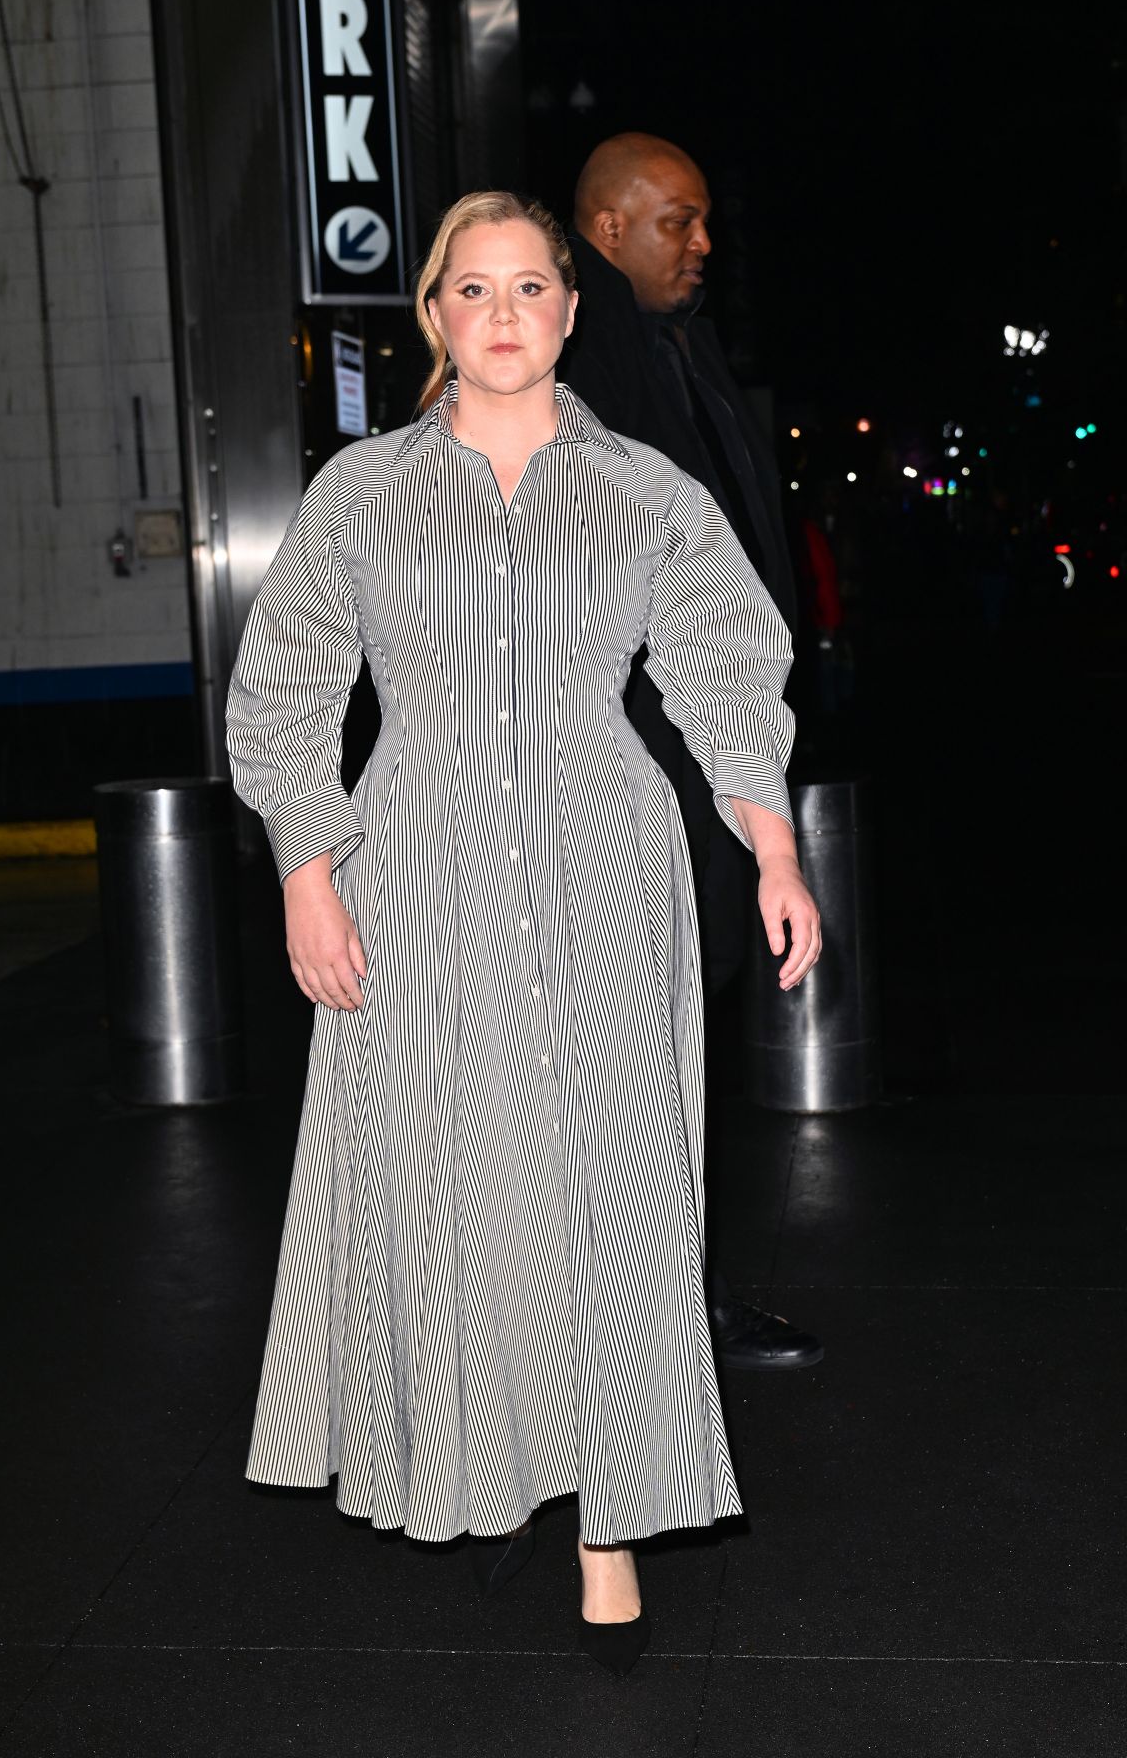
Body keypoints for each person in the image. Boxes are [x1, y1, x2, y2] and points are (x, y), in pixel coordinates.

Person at [225, 192, 820, 1676]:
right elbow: (287, 689)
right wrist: (310, 869)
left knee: (615, 1184)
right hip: (411, 861)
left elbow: (726, 666)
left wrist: (774, 847)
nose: (502, 314)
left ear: (569, 310)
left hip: (608, 853)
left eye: (531, 288)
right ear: (433, 315)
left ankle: (609, 1522)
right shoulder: (362, 490)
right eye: (470, 289)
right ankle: (478, 1462)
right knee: (455, 1170)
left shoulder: (642, 489)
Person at [560, 133, 824, 1372]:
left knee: (680, 1031)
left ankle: (668, 1299)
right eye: (681, 222)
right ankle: (640, 1318)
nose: (703, 244)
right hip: (639, 771)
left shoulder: (675, 345)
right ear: (606, 229)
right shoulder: (590, 356)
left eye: (706, 221)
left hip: (690, 759)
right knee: (642, 1040)